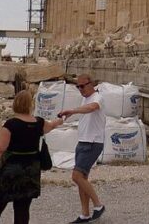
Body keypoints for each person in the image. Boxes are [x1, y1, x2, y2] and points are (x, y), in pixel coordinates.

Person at [0, 90, 64, 224]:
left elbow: (0, 148)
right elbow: (52, 125)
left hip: (10, 172)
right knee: (22, 209)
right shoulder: (39, 123)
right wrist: (60, 120)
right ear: (30, 104)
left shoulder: (10, 125)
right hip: (30, 172)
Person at [59, 74, 107, 223]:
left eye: (82, 86)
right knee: (82, 179)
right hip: (83, 142)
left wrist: (72, 111)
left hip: (92, 143)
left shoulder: (98, 97)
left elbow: (92, 108)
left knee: (76, 176)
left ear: (91, 84)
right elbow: (85, 110)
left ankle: (98, 205)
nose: (80, 89)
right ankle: (85, 214)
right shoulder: (84, 99)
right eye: (78, 86)